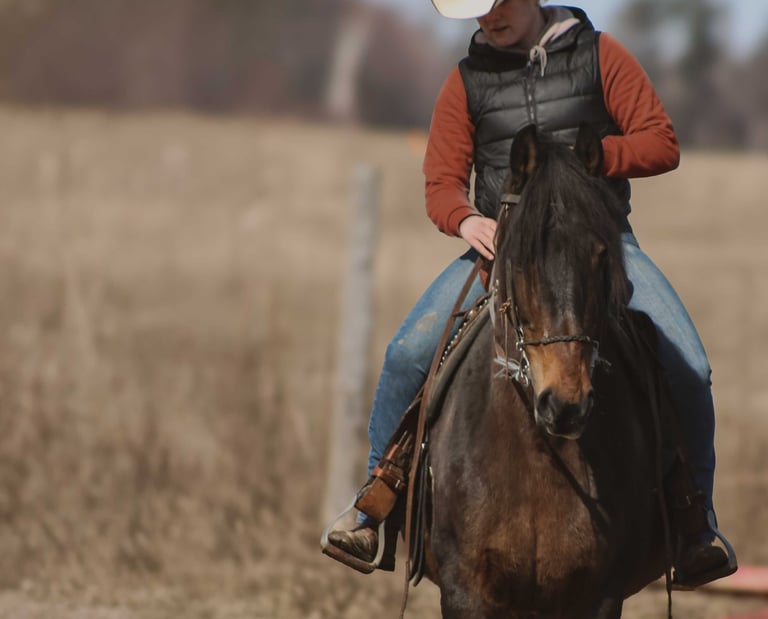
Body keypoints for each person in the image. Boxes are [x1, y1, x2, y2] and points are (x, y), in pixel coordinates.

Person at [325, 0, 736, 587]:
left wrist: (589, 162)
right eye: (476, 13)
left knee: (689, 366)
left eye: (495, 7)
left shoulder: (601, 56)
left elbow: (661, 142)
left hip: (598, 243)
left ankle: (695, 524)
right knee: (407, 355)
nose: (486, 21)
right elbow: (441, 182)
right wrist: (467, 221)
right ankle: (374, 506)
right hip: (504, 250)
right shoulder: (466, 82)